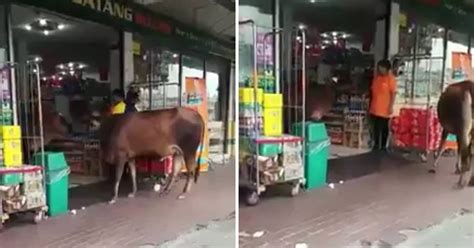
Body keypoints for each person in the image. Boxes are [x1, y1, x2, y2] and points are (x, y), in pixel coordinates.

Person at [369, 59, 397, 152]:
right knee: (376, 128)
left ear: (387, 69)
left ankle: (384, 146)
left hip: (384, 109)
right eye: (379, 68)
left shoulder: (391, 79)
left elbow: (393, 94)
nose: (380, 70)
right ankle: (376, 145)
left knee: (384, 127)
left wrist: (391, 106)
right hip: (374, 107)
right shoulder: (377, 78)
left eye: (382, 68)